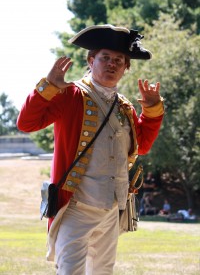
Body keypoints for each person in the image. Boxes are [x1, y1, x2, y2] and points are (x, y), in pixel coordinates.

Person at [17, 24, 164, 275]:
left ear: (126, 67)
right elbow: (26, 123)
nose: (112, 64)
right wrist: (49, 87)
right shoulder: (70, 95)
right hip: (77, 206)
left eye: (119, 60)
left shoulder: (125, 107)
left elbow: (143, 147)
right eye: (105, 57)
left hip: (112, 208)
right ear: (91, 60)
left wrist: (151, 111)